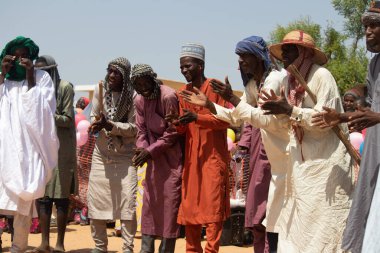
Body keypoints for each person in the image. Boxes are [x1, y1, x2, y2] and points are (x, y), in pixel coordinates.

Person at [182, 31, 354, 252]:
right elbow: (239, 115)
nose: (284, 56)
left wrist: (289, 110)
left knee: (321, 225)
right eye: (283, 51)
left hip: (323, 165)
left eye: (289, 50)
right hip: (294, 164)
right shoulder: (278, 83)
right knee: (286, 225)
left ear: (304, 53)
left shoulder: (313, 77)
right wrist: (211, 105)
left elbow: (315, 119)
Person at [180, 36, 287, 253]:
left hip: (274, 150)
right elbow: (237, 117)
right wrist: (209, 104)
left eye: (243, 57)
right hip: (252, 151)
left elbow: (263, 119)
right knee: (257, 211)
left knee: (269, 211)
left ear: (257, 57)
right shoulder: (253, 85)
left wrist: (224, 101)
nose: (239, 64)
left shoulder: (275, 80)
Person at [312, 2, 380, 251]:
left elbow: (375, 114)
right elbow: (369, 107)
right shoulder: (374, 65)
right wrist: (340, 118)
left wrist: (378, 118)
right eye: (365, 27)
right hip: (375, 148)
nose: (368, 32)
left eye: (374, 25)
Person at [166, 43, 230, 253]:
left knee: (213, 210)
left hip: (213, 158)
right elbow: (184, 131)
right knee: (191, 209)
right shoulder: (182, 93)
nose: (183, 71)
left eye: (187, 66)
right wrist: (178, 122)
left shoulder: (215, 87)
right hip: (193, 162)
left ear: (200, 66)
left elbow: (226, 120)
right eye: (181, 67)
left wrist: (198, 117)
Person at [0, 36, 59, 253]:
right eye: (14, 55)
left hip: (27, 147)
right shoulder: (2, 78)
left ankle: (19, 246)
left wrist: (29, 75)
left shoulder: (41, 77)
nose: (19, 59)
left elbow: (43, 110)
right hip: (3, 146)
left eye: (24, 56)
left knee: (23, 199)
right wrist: (2, 74)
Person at [26, 55, 76, 253]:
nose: (41, 75)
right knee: (43, 196)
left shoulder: (64, 87)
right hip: (41, 149)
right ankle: (44, 243)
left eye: (44, 71)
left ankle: (60, 244)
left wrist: (43, 112)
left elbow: (66, 118)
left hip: (62, 149)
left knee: (61, 197)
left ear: (52, 71)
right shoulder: (35, 89)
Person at [131, 64, 183, 253]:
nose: (143, 86)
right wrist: (141, 150)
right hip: (152, 162)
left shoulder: (168, 96)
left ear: (152, 79)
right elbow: (141, 130)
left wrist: (150, 151)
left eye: (145, 81)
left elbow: (173, 132)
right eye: (137, 84)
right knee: (149, 207)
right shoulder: (139, 100)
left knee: (169, 207)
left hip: (172, 160)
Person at [87, 57, 137, 253]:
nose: (111, 75)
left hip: (125, 157)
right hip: (101, 156)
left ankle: (127, 247)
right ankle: (100, 246)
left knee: (128, 202)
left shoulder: (133, 97)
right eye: (109, 71)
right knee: (97, 201)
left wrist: (111, 125)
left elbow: (134, 128)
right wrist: (97, 123)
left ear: (125, 77)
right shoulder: (100, 92)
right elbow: (94, 117)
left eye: (117, 72)